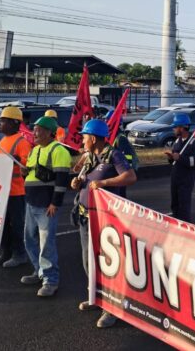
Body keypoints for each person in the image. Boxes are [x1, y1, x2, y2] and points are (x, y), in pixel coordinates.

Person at [70, 119, 136, 328]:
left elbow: (130, 176)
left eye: (84, 137)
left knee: (107, 264)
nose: (82, 140)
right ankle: (96, 297)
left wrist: (105, 183)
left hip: (104, 218)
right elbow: (84, 178)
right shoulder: (89, 156)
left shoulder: (113, 154)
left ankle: (112, 308)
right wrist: (77, 183)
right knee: (88, 261)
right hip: (84, 216)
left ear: (94, 138)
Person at [20, 116, 72, 297]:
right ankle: (40, 271)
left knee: (46, 245)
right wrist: (24, 172)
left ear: (50, 132)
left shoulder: (58, 151)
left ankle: (51, 280)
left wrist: (55, 203)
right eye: (34, 129)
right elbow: (32, 173)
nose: (34, 133)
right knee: (30, 240)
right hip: (31, 203)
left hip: (46, 206)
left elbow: (61, 180)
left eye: (39, 130)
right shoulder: (34, 151)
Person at [0, 106, 33, 269]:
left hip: (17, 191)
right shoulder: (1, 141)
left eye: (3, 121)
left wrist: (18, 160)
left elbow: (28, 166)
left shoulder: (21, 142)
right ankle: (6, 252)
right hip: (2, 191)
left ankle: (19, 254)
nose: (0, 125)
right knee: (2, 224)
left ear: (14, 123)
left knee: (16, 225)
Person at [164, 113, 195, 222]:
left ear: (182, 127)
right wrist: (171, 158)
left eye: (175, 127)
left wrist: (179, 158)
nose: (173, 129)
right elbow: (174, 160)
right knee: (175, 204)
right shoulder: (177, 141)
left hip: (186, 179)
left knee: (184, 205)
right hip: (175, 178)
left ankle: (185, 226)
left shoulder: (194, 142)